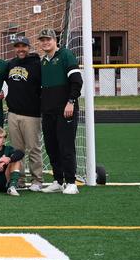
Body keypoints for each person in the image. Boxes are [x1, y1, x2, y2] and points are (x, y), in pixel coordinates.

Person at [38, 28, 83, 195]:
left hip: (66, 111)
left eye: (48, 39)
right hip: (48, 112)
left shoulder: (66, 55)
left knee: (66, 146)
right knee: (51, 146)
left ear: (55, 39)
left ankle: (71, 182)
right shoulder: (43, 61)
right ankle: (58, 180)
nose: (45, 42)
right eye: (42, 40)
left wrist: (71, 102)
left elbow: (77, 81)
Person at [5, 35, 44, 191]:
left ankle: (37, 180)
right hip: (13, 113)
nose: (20, 49)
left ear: (29, 47)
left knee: (34, 148)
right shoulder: (11, 64)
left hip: (31, 114)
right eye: (18, 46)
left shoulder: (37, 64)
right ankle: (19, 179)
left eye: (24, 46)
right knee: (17, 150)